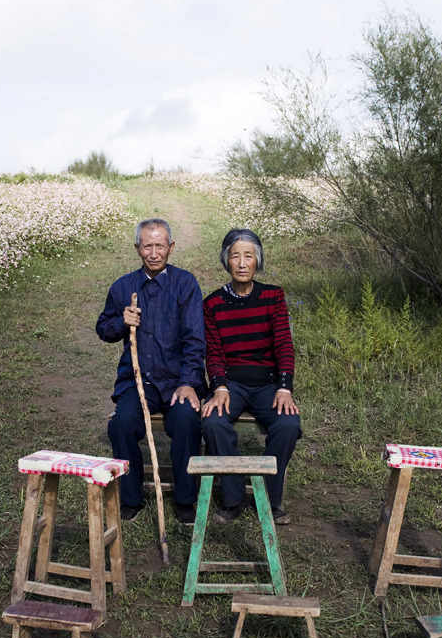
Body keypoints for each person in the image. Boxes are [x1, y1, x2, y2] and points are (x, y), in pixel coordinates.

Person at [96, 218, 205, 525]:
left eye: (160, 245)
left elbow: (196, 340)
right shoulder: (123, 287)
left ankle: (185, 498)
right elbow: (103, 329)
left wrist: (188, 383)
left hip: (176, 381)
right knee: (122, 424)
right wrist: (122, 321)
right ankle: (132, 498)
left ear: (170, 247)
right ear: (137, 248)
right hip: (137, 380)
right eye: (147, 246)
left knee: (185, 420)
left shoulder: (186, 284)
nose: (154, 253)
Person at [200, 228, 301, 525]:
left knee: (288, 425)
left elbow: (284, 344)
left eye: (249, 256)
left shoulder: (273, 297)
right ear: (226, 261)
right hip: (231, 383)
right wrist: (218, 386)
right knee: (214, 423)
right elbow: (214, 352)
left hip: (268, 383)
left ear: (258, 260)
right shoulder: (213, 304)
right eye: (235, 256)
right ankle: (233, 498)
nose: (242, 263)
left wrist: (284, 388)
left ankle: (267, 500)